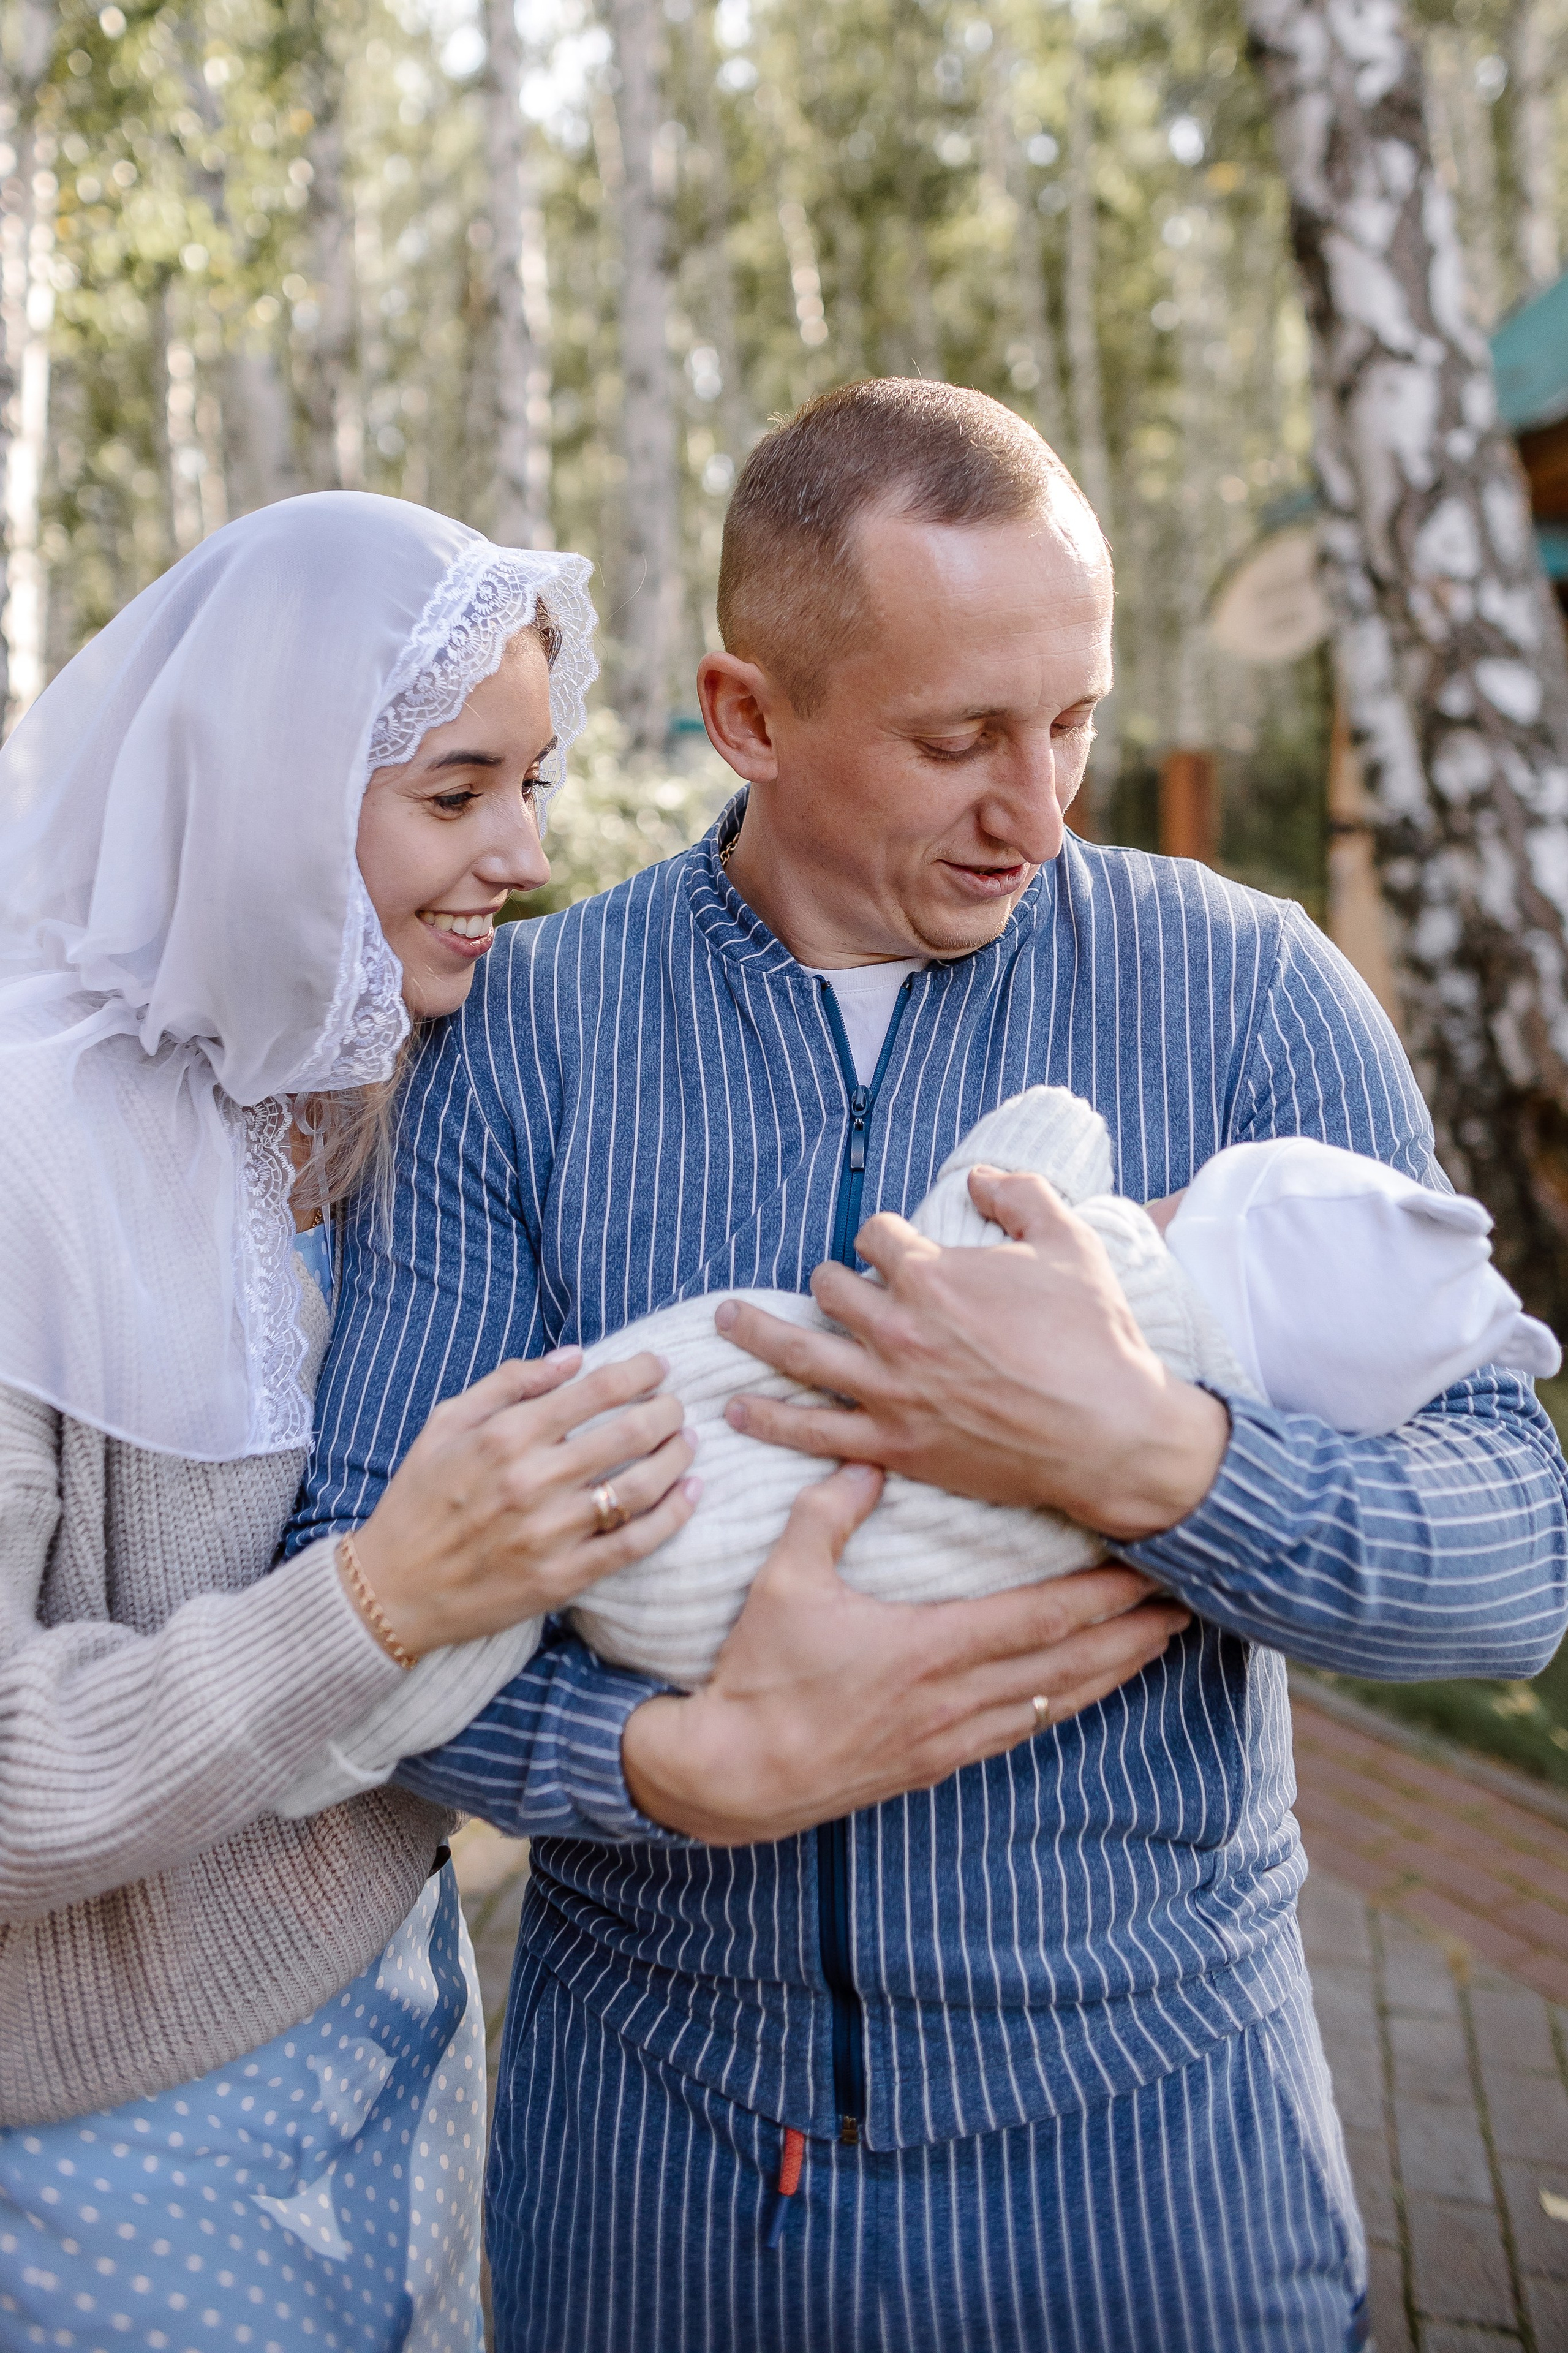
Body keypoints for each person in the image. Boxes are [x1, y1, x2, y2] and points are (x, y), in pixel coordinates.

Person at [293, 382, 1568, 2352]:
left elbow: (1513, 1563)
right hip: (659, 2186)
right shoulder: (529, 1037)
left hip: (1158, 2191)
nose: (1044, 811)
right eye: (960, 738)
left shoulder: (1251, 988)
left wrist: (1157, 1455)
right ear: (750, 714)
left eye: (1074, 719)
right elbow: (356, 1566)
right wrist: (666, 1768)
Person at [0, 491, 709, 2352]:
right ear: (271, 792)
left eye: (533, 785)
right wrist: (381, 1593)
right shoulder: (26, 1170)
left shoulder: (355, 1095)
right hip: (110, 2127)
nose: (526, 850)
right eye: (456, 791)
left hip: (391, 2013)